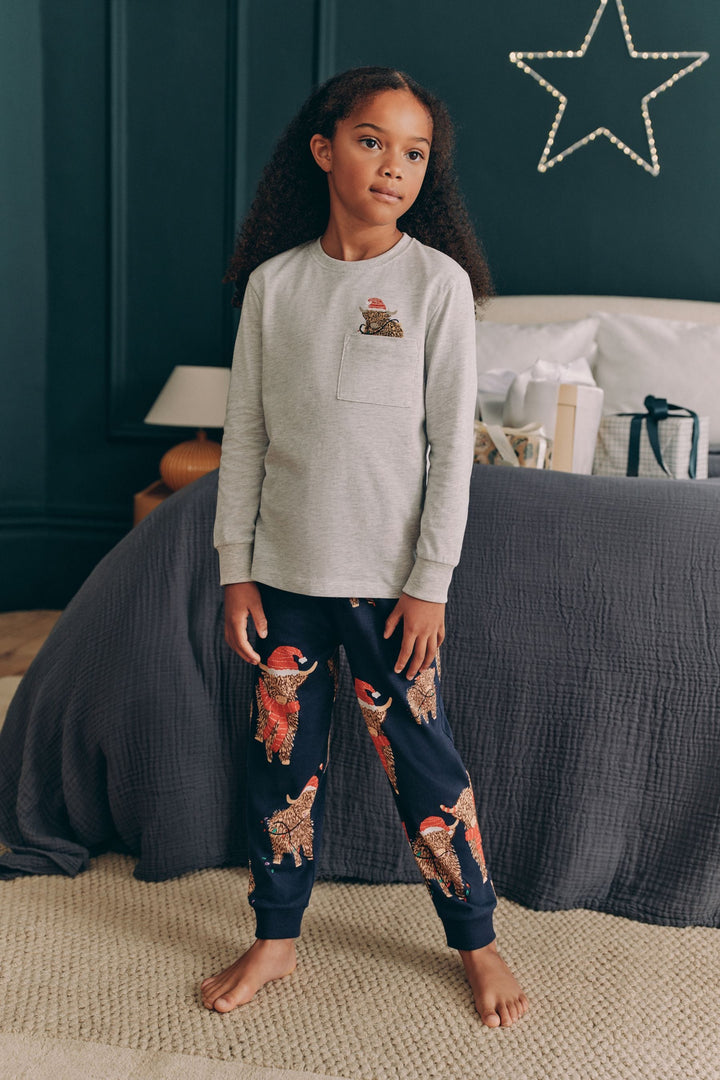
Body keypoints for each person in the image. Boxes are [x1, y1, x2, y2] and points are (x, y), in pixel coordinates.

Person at [202, 66, 528, 1029]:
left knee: (426, 769)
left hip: (391, 592)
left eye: (415, 152)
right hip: (284, 581)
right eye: (373, 141)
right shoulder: (273, 286)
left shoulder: (437, 285)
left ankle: (477, 940)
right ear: (324, 148)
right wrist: (236, 572)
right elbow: (245, 439)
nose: (394, 166)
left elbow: (451, 451)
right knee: (280, 769)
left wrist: (430, 583)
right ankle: (276, 937)